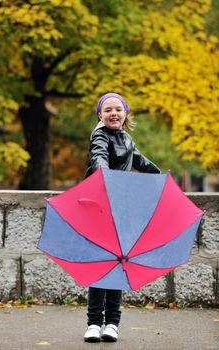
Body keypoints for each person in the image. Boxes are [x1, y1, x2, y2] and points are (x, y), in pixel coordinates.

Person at [83, 92, 160, 343]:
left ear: (126, 114)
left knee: (118, 264)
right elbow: (99, 156)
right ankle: (94, 322)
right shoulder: (100, 135)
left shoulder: (127, 138)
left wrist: (158, 175)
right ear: (100, 115)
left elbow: (138, 160)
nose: (113, 113)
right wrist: (105, 174)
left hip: (122, 207)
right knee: (100, 266)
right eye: (107, 110)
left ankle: (112, 323)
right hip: (101, 205)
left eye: (118, 109)